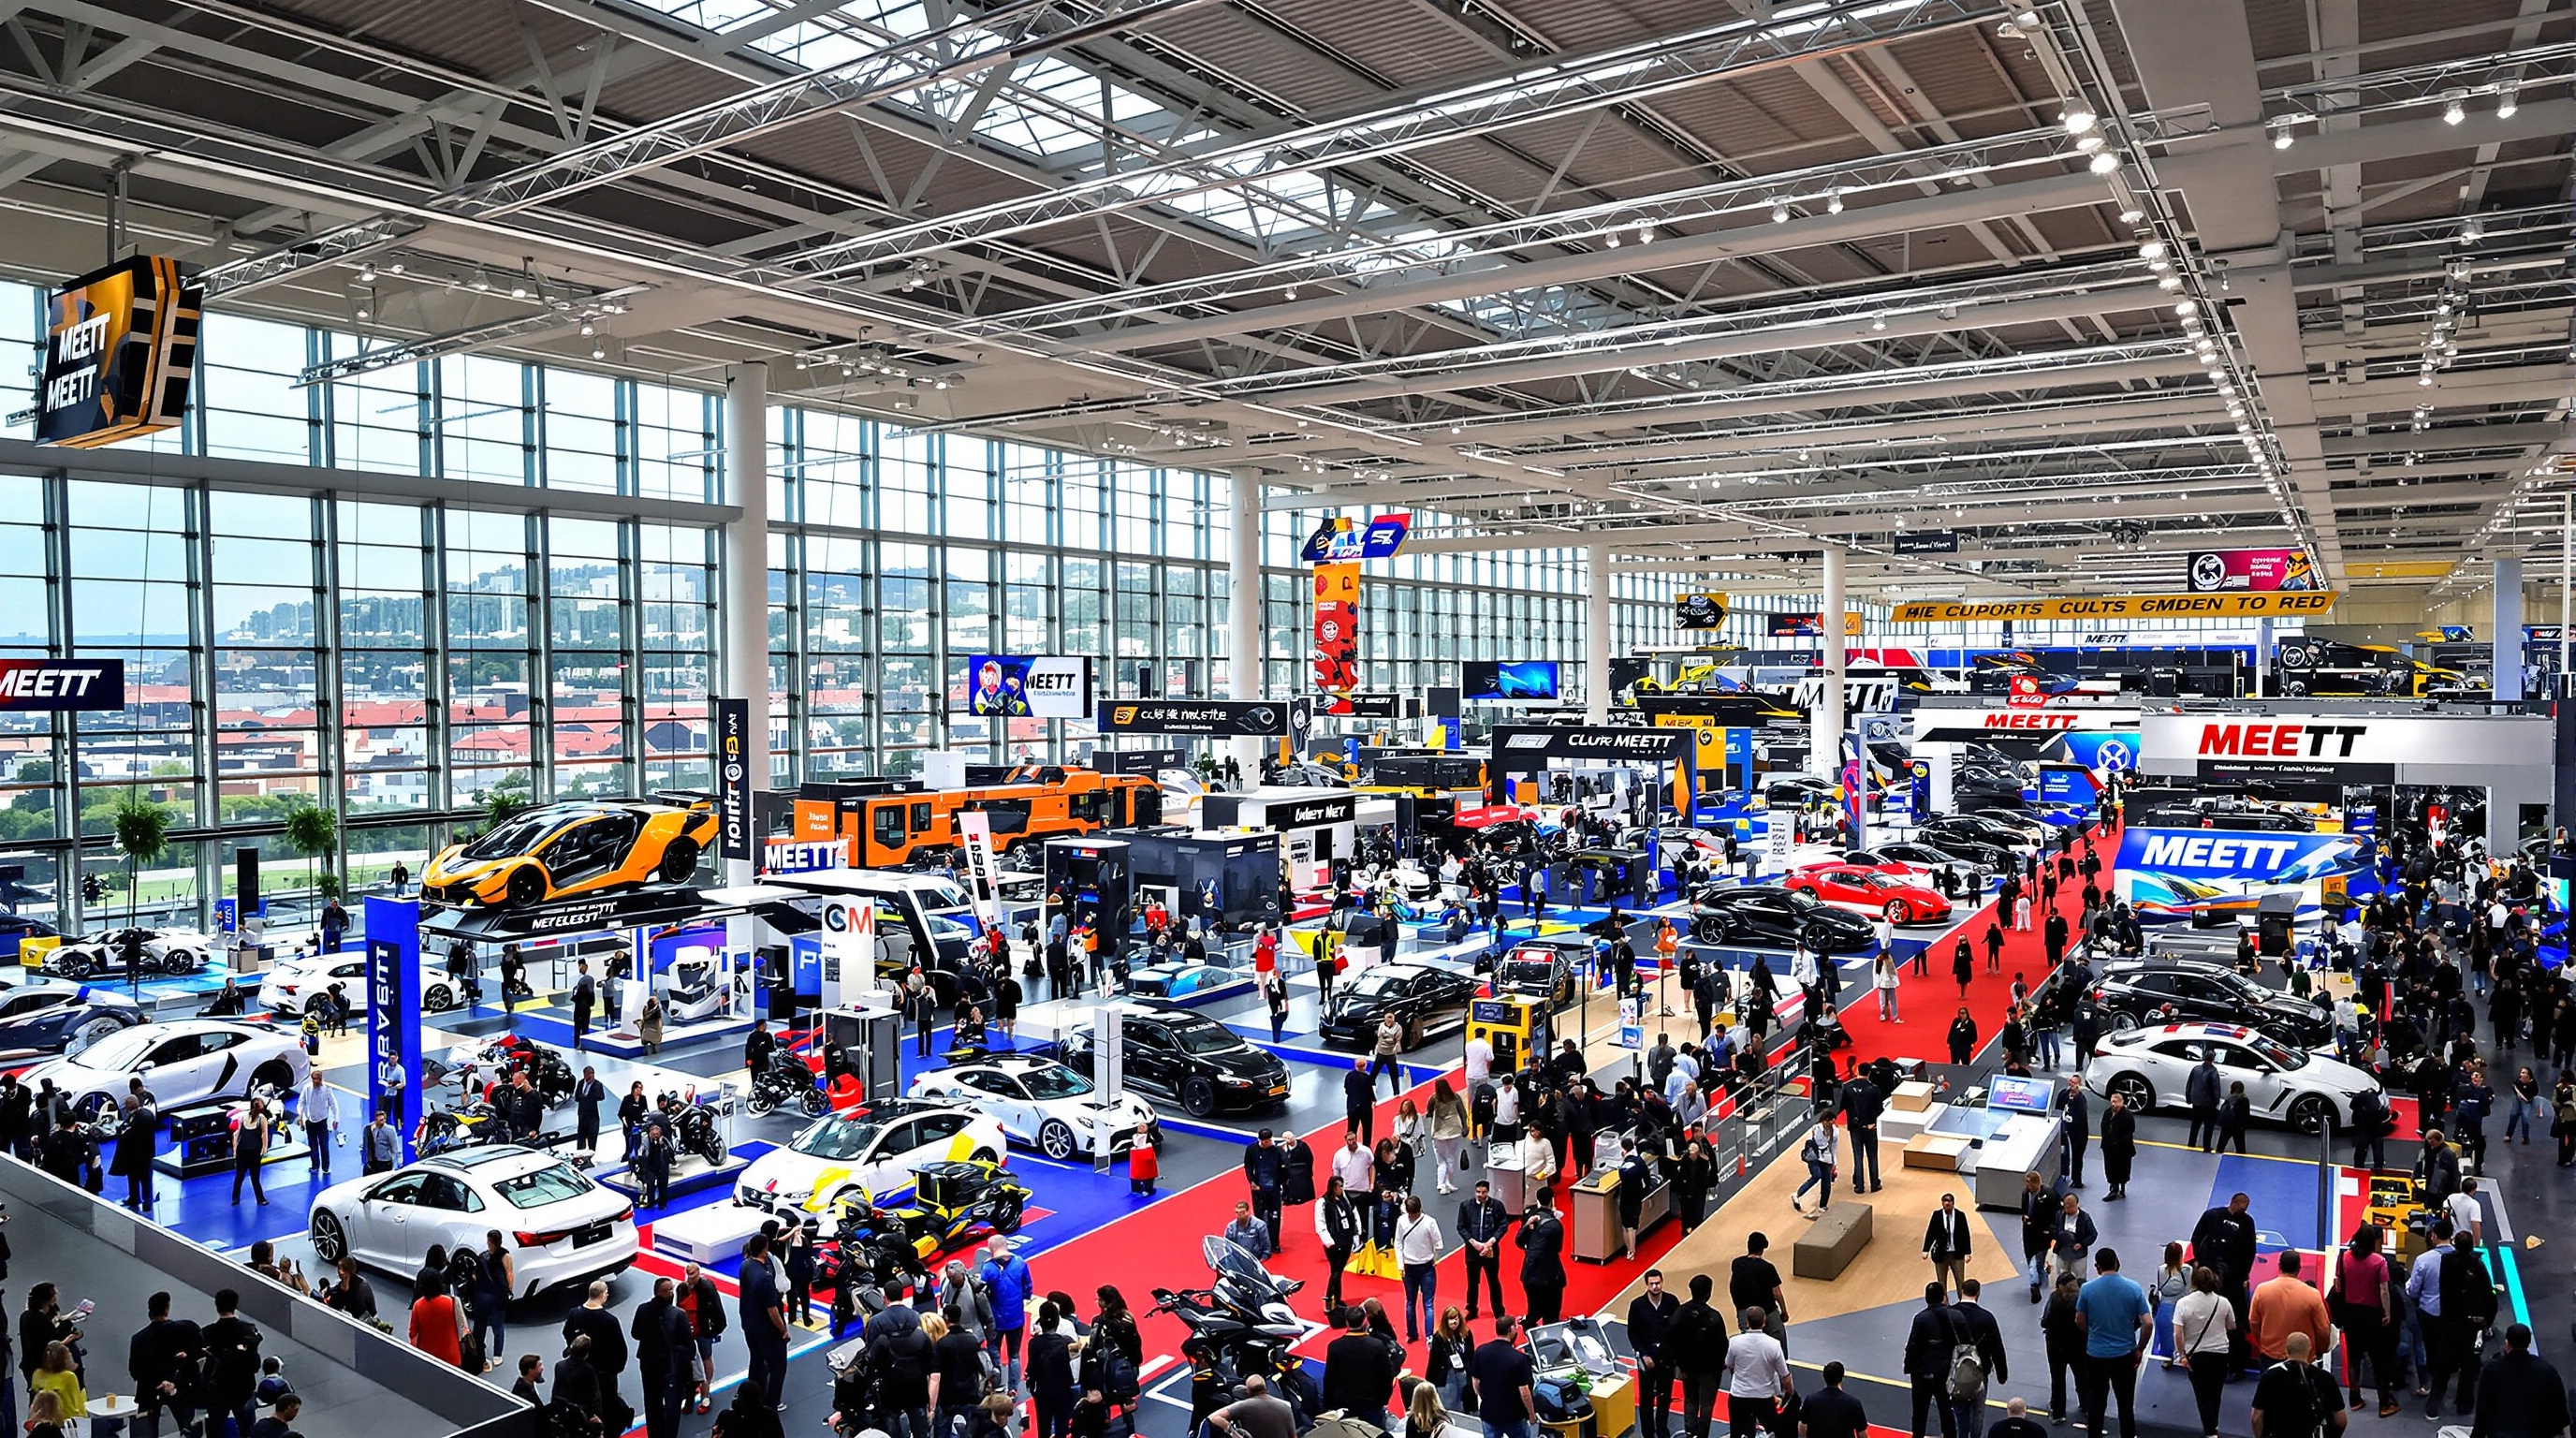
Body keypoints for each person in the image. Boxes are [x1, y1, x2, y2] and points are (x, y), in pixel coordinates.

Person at [2072, 1248, 2151, 1438]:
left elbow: (2079, 1319)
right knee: (2125, 1404)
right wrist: (2140, 1347)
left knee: (2097, 1402)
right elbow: (2147, 1322)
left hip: (2096, 1355)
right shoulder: (2133, 1288)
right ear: (2117, 1261)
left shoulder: (2087, 1289)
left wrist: (2091, 1333)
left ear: (2096, 1267)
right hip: (2125, 1355)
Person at [2329, 1225, 2399, 1418]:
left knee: (2354, 1358)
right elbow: (2383, 1290)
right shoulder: (2379, 1262)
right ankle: (2384, 1403)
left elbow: (2338, 1284)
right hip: (2373, 1315)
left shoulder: (2344, 1258)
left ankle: (2355, 1398)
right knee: (2379, 1360)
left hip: (2351, 1314)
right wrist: (2387, 1313)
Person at [2469, 1324, 2569, 1438]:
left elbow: (2483, 1410)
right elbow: (2560, 1407)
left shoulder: (2492, 1370)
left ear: (2507, 1343)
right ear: (2528, 1343)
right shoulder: (2547, 1370)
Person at [2247, 1333, 2344, 1438]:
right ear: (2309, 1349)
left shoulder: (2269, 1376)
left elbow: (2256, 1417)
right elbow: (2341, 1420)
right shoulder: (2326, 1378)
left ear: (2286, 1349)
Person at [2247, 1250, 2332, 1365]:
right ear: (2299, 1268)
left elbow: (2254, 1322)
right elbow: (2323, 1329)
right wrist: (2321, 1349)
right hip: (2303, 1357)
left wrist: (2263, 1343)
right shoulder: (2312, 1294)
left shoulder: (2262, 1291)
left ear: (2279, 1266)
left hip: (2270, 1354)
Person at [1900, 1282, 1962, 1438]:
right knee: (1946, 1410)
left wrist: (1909, 1367)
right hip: (1946, 1373)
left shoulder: (1920, 1318)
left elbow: (1913, 1345)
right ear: (1944, 1297)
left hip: (1922, 1373)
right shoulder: (1955, 1316)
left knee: (1920, 1412)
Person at [1324, 1304, 1398, 1432]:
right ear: (1364, 1320)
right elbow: (1387, 1376)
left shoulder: (1335, 1347)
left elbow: (1330, 1378)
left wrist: (1329, 1405)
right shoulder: (1377, 1346)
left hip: (1345, 1404)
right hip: (1372, 1403)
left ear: (1346, 1322)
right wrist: (1383, 1399)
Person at [1720, 1306, 1791, 1438]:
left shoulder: (1735, 1342)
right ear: (1764, 1322)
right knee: (1774, 1431)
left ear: (1747, 1322)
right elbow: (1785, 1376)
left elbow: (1729, 1364)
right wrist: (1788, 1393)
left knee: (1736, 1432)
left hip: (1739, 1396)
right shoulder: (1774, 1345)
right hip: (1763, 1397)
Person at [1950, 1280, 2008, 1438]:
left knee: (1958, 1410)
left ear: (1961, 1291)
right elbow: (1997, 1347)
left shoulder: (1950, 1314)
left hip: (1954, 1371)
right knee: (1978, 1412)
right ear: (1978, 1293)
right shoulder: (1986, 1318)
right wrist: (2002, 1374)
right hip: (1979, 1371)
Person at [739, 1231, 789, 1409]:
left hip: (749, 1325)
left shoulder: (745, 1266)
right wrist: (783, 1331)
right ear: (764, 1250)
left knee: (757, 1360)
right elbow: (772, 1311)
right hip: (767, 1330)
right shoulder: (765, 1278)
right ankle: (771, 1404)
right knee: (778, 1367)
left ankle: (752, 1398)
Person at [1629, 1269, 1680, 1438]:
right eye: (1651, 1284)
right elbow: (1633, 1333)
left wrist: (1673, 1355)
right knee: (1646, 1399)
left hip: (1666, 1360)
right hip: (1647, 1359)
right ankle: (1648, 1434)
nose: (1655, 1286)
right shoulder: (1637, 1306)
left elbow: (1676, 1330)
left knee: (1665, 1397)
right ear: (1646, 1285)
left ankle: (1662, 1430)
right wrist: (1643, 1355)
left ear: (1662, 1282)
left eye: (1657, 1283)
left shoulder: (1672, 1302)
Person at [1469, 1313, 1537, 1438]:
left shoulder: (1481, 1352)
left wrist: (1486, 1397)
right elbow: (1524, 1392)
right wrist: (1531, 1414)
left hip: (1489, 1414)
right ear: (1510, 1329)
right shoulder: (1519, 1359)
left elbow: (1475, 1381)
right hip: (1514, 1416)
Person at [1457, 1179, 1509, 1322]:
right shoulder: (1466, 1206)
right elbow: (1461, 1227)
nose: (1481, 1195)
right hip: (1473, 1251)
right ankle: (1472, 1309)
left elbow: (1503, 1225)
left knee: (1493, 1281)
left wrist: (1491, 1241)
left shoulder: (1497, 1206)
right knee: (1472, 1282)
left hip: (1491, 1250)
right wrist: (1474, 1243)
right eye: (1478, 1192)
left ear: (1488, 1192)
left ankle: (1499, 1310)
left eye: (1484, 1192)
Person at [1515, 1186, 1566, 1326]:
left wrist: (1527, 1226)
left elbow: (1518, 1241)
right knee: (1552, 1315)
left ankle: (1531, 1336)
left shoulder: (1529, 1216)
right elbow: (1558, 1248)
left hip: (1530, 1274)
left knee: (1533, 1311)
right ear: (1552, 1201)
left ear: (1537, 1200)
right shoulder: (1555, 1225)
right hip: (1551, 1274)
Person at [1395, 1195, 1442, 1343]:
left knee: (1410, 1302)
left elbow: (1398, 1243)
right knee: (1428, 1304)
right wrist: (1433, 1257)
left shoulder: (1402, 1221)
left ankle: (1412, 1334)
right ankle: (1429, 1336)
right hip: (1426, 1267)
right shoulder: (1430, 1222)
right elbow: (1439, 1244)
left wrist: (1400, 1265)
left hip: (1409, 1268)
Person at [470, 1229, 515, 1372]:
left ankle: (489, 1351)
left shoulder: (486, 1257)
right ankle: (491, 1353)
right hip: (492, 1295)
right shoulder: (501, 1256)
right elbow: (509, 1273)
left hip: (489, 1295)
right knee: (493, 1325)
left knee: (489, 1325)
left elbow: (475, 1276)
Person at [1207, 1373, 1298, 1438]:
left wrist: (1233, 1432)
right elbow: (1293, 1436)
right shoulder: (1284, 1406)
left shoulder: (1244, 1406)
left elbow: (1213, 1417)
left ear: (1248, 1391)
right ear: (1265, 1387)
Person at [1243, 1129, 1286, 1255]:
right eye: (1266, 1141)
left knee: (1275, 1217)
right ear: (1261, 1141)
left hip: (1274, 1190)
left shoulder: (1277, 1151)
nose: (1268, 1143)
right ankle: (1261, 1243)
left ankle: (1274, 1243)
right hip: (1258, 1190)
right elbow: (1248, 1166)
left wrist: (1282, 1184)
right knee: (1259, 1217)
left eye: (1269, 1141)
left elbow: (1285, 1166)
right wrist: (1251, 1181)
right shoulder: (1252, 1149)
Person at [1924, 1192, 1971, 1302]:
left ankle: (1962, 1302)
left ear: (1953, 1203)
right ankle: (1944, 1305)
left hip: (1957, 1255)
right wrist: (1926, 1249)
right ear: (1942, 1203)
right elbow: (1930, 1232)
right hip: (1941, 1255)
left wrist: (1967, 1252)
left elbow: (1965, 1234)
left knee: (1960, 1282)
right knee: (1941, 1283)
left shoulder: (1960, 1216)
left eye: (1949, 1202)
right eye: (1945, 1202)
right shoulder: (1937, 1215)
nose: (1947, 1204)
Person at [1800, 1362, 1868, 1438]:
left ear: (1824, 1377)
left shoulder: (1811, 1400)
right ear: (1842, 1378)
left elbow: (1802, 1427)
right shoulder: (1853, 1403)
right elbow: (1862, 1434)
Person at [1792, 1108, 1837, 1214]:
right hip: (1814, 1158)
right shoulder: (1816, 1129)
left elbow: (1834, 1147)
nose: (1832, 1124)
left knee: (1827, 1183)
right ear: (1825, 1120)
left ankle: (1823, 1206)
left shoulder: (1835, 1131)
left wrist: (1835, 1162)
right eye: (1830, 1122)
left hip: (1826, 1159)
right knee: (1816, 1176)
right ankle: (1797, 1195)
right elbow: (1818, 1143)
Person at [230, 1096, 271, 1206]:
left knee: (254, 1177)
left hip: (253, 1152)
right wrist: (235, 1149)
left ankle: (260, 1198)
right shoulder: (243, 1117)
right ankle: (235, 1198)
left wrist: (264, 1148)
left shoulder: (261, 1119)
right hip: (243, 1150)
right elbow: (237, 1134)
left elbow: (264, 1134)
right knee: (240, 1176)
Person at [2099, 1093, 2136, 1200]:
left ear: (2121, 1102)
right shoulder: (2107, 1113)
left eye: (2115, 1102)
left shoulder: (2128, 1116)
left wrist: (2117, 1141)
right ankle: (2114, 1188)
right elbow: (2103, 1126)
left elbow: (2130, 1132)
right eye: (2112, 1102)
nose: (2113, 1104)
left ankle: (2122, 1187)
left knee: (2122, 1168)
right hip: (2108, 1147)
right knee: (2110, 1168)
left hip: (2122, 1149)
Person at [573, 1066, 607, 1154]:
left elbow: (601, 1097)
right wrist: (582, 1097)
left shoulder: (598, 1085)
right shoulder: (581, 1083)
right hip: (582, 1114)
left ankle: (591, 1154)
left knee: (592, 1136)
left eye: (591, 1073)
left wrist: (589, 1097)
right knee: (581, 1136)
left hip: (593, 1115)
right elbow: (576, 1097)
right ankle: (580, 1154)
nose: (589, 1076)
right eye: (587, 1074)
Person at [571, 960, 596, 1049]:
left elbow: (575, 995)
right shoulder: (585, 981)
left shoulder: (584, 981)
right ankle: (582, 1043)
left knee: (579, 1026)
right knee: (584, 1025)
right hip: (584, 1007)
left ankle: (578, 1043)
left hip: (579, 1007)